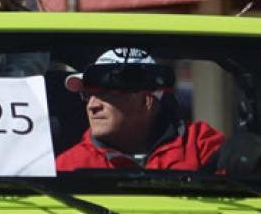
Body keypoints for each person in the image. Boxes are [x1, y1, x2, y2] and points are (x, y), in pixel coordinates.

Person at [55, 48, 225, 171]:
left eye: (106, 95)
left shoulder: (200, 144)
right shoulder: (69, 165)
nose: (92, 105)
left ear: (146, 102)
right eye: (88, 95)